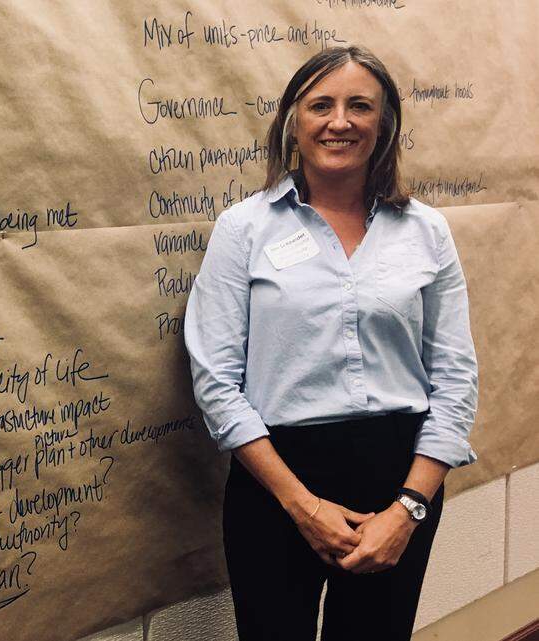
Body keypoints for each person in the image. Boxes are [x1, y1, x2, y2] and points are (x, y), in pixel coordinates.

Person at [183, 45, 478, 641]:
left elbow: (455, 380)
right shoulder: (244, 228)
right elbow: (215, 380)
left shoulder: (426, 232)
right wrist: (302, 505)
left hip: (397, 479)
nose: (339, 122)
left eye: (359, 106)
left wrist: (408, 509)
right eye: (321, 105)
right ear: (293, 122)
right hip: (276, 480)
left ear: (384, 124)